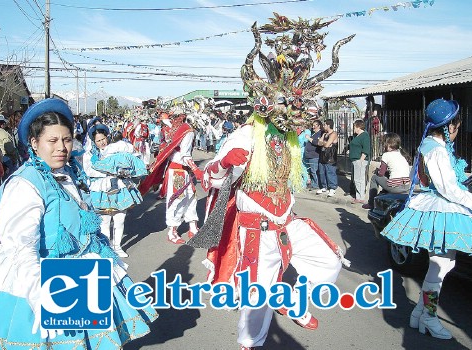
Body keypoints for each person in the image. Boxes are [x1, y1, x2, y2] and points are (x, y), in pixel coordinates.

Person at [197, 17, 352, 349]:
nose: (292, 109)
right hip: (255, 229)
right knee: (258, 297)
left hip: (287, 221)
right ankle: (249, 344)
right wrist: (224, 163)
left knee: (329, 260)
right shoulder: (245, 134)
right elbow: (210, 177)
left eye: (295, 102)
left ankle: (293, 301)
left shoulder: (292, 138)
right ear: (266, 101)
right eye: (284, 101)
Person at [0, 98, 157, 349]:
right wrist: (39, 295)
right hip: (46, 278)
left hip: (81, 273)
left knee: (85, 342)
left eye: (66, 140)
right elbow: (21, 245)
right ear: (34, 143)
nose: (61, 148)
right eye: (52, 141)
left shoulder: (70, 172)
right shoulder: (26, 183)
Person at [381, 98, 472, 340]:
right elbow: (450, 190)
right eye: (457, 125)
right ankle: (429, 317)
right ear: (449, 126)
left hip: (432, 207)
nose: (458, 129)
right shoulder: (437, 150)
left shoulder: (427, 146)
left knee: (440, 265)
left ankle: (420, 313)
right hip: (441, 209)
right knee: (441, 265)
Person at [83, 123, 147, 258]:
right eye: (98, 141)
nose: (102, 142)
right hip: (101, 189)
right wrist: (111, 171)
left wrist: (124, 172)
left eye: (103, 139)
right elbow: (89, 171)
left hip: (120, 187)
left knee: (120, 219)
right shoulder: (89, 155)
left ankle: (117, 246)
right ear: (94, 142)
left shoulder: (118, 151)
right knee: (105, 221)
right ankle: (107, 247)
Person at [139, 113, 204, 244]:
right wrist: (197, 171)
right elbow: (185, 155)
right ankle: (172, 231)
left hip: (183, 170)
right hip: (178, 171)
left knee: (191, 198)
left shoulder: (183, 129)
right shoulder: (188, 131)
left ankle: (193, 226)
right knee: (177, 200)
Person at [363, 132, 411, 210]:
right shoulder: (401, 154)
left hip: (395, 187)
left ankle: (371, 203)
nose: (382, 146)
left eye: (383, 144)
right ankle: (383, 195)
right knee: (387, 176)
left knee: (375, 178)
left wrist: (377, 171)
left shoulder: (386, 155)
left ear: (388, 145)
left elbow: (381, 173)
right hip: (406, 186)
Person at [349, 119, 370, 204]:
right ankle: (358, 196)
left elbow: (366, 149)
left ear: (358, 127)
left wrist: (361, 160)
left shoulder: (364, 136)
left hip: (359, 160)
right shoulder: (357, 136)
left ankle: (360, 197)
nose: (353, 128)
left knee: (359, 179)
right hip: (355, 160)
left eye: (354, 127)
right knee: (357, 179)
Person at [0, 114, 19, 179]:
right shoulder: (4, 133)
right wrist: (15, 157)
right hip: (7, 158)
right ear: (2, 124)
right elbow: (9, 148)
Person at [317, 118, 339, 197]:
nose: (323, 126)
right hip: (323, 156)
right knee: (322, 172)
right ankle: (324, 187)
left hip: (330, 157)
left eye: (325, 125)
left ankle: (332, 188)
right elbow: (319, 143)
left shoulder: (334, 134)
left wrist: (324, 143)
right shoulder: (324, 134)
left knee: (330, 172)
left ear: (328, 125)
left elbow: (327, 144)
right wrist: (324, 142)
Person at [304, 120, 322, 193]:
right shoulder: (314, 133)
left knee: (314, 171)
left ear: (319, 126)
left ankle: (316, 184)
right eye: (313, 125)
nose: (313, 127)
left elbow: (317, 143)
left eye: (315, 125)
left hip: (314, 155)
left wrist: (309, 138)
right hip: (310, 155)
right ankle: (314, 183)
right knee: (312, 171)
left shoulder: (319, 134)